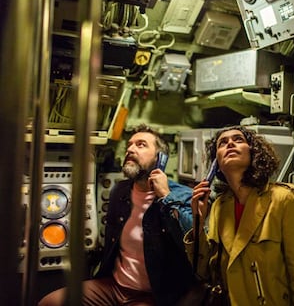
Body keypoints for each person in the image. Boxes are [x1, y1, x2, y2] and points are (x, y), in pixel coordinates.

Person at [39, 124, 194, 306]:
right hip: (113, 286)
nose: (130, 149)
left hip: (152, 295)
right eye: (129, 144)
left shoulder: (181, 195)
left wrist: (166, 197)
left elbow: (192, 241)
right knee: (49, 303)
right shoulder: (119, 191)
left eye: (141, 144)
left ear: (160, 158)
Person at [184, 125, 294, 306]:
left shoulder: (285, 200)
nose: (230, 143)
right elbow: (203, 272)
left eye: (238, 140)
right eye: (222, 143)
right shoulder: (219, 206)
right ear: (216, 163)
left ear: (254, 153)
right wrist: (198, 222)